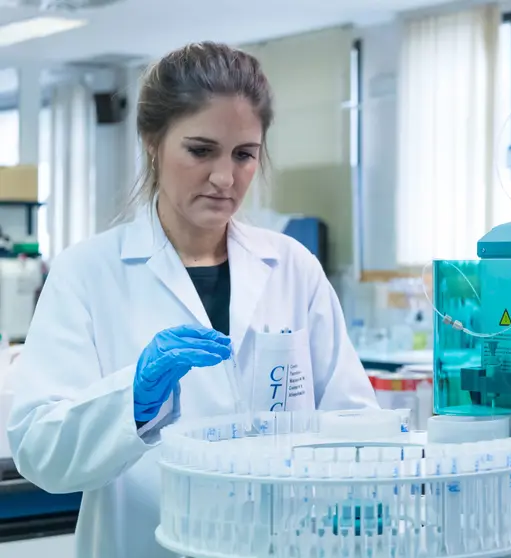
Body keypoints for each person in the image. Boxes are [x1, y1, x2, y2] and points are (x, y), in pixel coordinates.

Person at [4, 42, 377, 558]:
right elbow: (39, 450)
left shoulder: (292, 267)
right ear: (153, 142)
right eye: (201, 150)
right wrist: (130, 402)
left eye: (244, 155)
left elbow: (352, 420)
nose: (225, 178)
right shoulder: (87, 272)